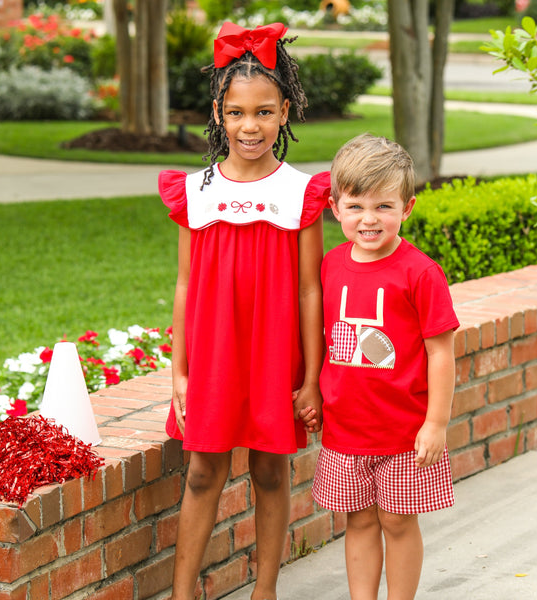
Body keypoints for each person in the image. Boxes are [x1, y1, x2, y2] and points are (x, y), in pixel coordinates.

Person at [158, 21, 329, 600]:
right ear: (217, 113)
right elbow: (184, 284)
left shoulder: (299, 192)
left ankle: (265, 592)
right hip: (212, 355)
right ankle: (182, 594)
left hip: (275, 353)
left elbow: (310, 290)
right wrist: (179, 371)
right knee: (204, 470)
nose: (248, 126)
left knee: (269, 470)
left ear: (284, 111)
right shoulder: (197, 190)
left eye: (262, 112)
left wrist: (310, 377)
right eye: (236, 113)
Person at [312, 133, 459, 600]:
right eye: (356, 207)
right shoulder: (329, 266)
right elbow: (323, 340)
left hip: (403, 430)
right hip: (346, 427)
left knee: (396, 520)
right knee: (358, 519)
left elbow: (441, 352)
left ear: (407, 208)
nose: (369, 220)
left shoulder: (420, 273)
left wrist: (435, 423)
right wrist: (312, 392)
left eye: (384, 207)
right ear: (335, 207)